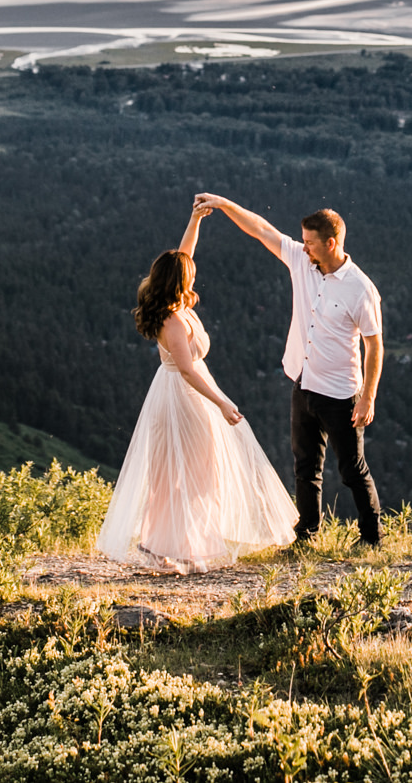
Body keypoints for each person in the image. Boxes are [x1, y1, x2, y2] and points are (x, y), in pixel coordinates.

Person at [94, 199, 296, 571]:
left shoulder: (172, 302)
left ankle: (172, 543)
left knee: (189, 470)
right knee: (186, 472)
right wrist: (221, 401)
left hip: (183, 393)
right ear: (181, 282)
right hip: (184, 396)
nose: (194, 275)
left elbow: (183, 255)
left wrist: (194, 221)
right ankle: (168, 545)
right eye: (190, 274)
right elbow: (188, 370)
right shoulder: (172, 320)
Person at [195, 193, 384, 547]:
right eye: (304, 241)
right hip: (303, 383)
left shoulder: (361, 289)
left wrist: (368, 399)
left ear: (331, 243)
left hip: (341, 394)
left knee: (351, 470)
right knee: (305, 467)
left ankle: (372, 538)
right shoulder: (301, 260)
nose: (304, 247)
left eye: (310, 242)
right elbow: (262, 230)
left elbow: (375, 346)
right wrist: (223, 204)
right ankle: (307, 536)